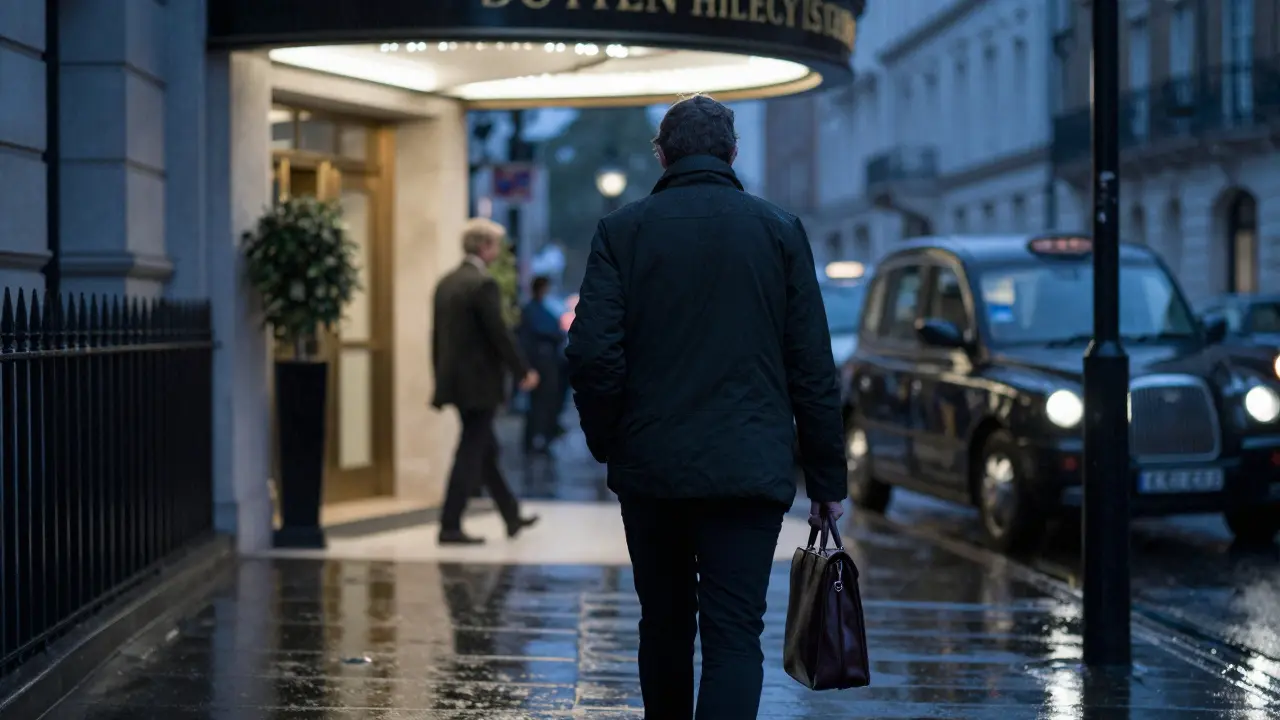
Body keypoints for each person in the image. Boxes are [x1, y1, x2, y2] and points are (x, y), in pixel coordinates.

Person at [565, 94, 847, 719]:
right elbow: (812, 367)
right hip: (749, 470)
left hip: (653, 468)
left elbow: (590, 355)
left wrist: (610, 438)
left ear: (662, 155)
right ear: (732, 153)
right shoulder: (778, 231)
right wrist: (825, 479)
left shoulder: (622, 232)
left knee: (662, 625)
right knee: (733, 638)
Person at [431, 217, 541, 545]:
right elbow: (499, 335)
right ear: (484, 246)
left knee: (485, 449)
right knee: (470, 450)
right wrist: (523, 371)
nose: (498, 252)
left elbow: (436, 337)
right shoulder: (483, 285)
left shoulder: (447, 282)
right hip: (479, 385)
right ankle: (450, 524)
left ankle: (510, 515)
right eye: (495, 245)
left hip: (455, 380)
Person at [518, 275, 567, 455]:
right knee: (540, 403)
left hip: (545, 362)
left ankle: (541, 437)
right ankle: (536, 438)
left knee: (543, 403)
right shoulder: (533, 311)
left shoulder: (539, 309)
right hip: (541, 363)